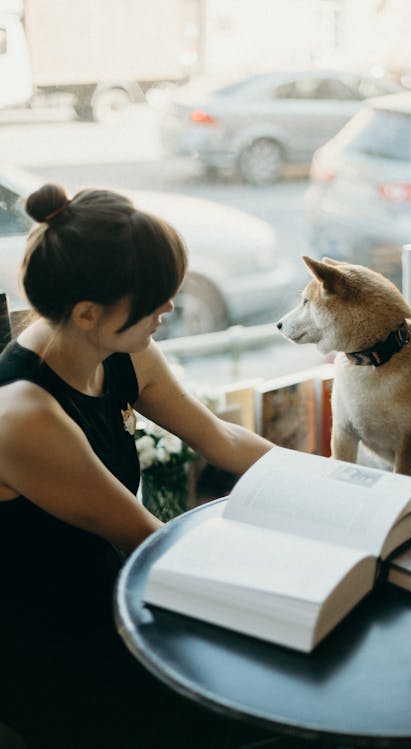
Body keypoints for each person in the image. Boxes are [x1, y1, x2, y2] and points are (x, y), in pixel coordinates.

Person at [0, 184, 275, 748]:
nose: (168, 309)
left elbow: (222, 440)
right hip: (58, 643)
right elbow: (146, 541)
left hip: (120, 593)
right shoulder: (23, 415)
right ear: (87, 314)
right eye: (153, 300)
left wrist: (341, 484)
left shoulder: (122, 350)